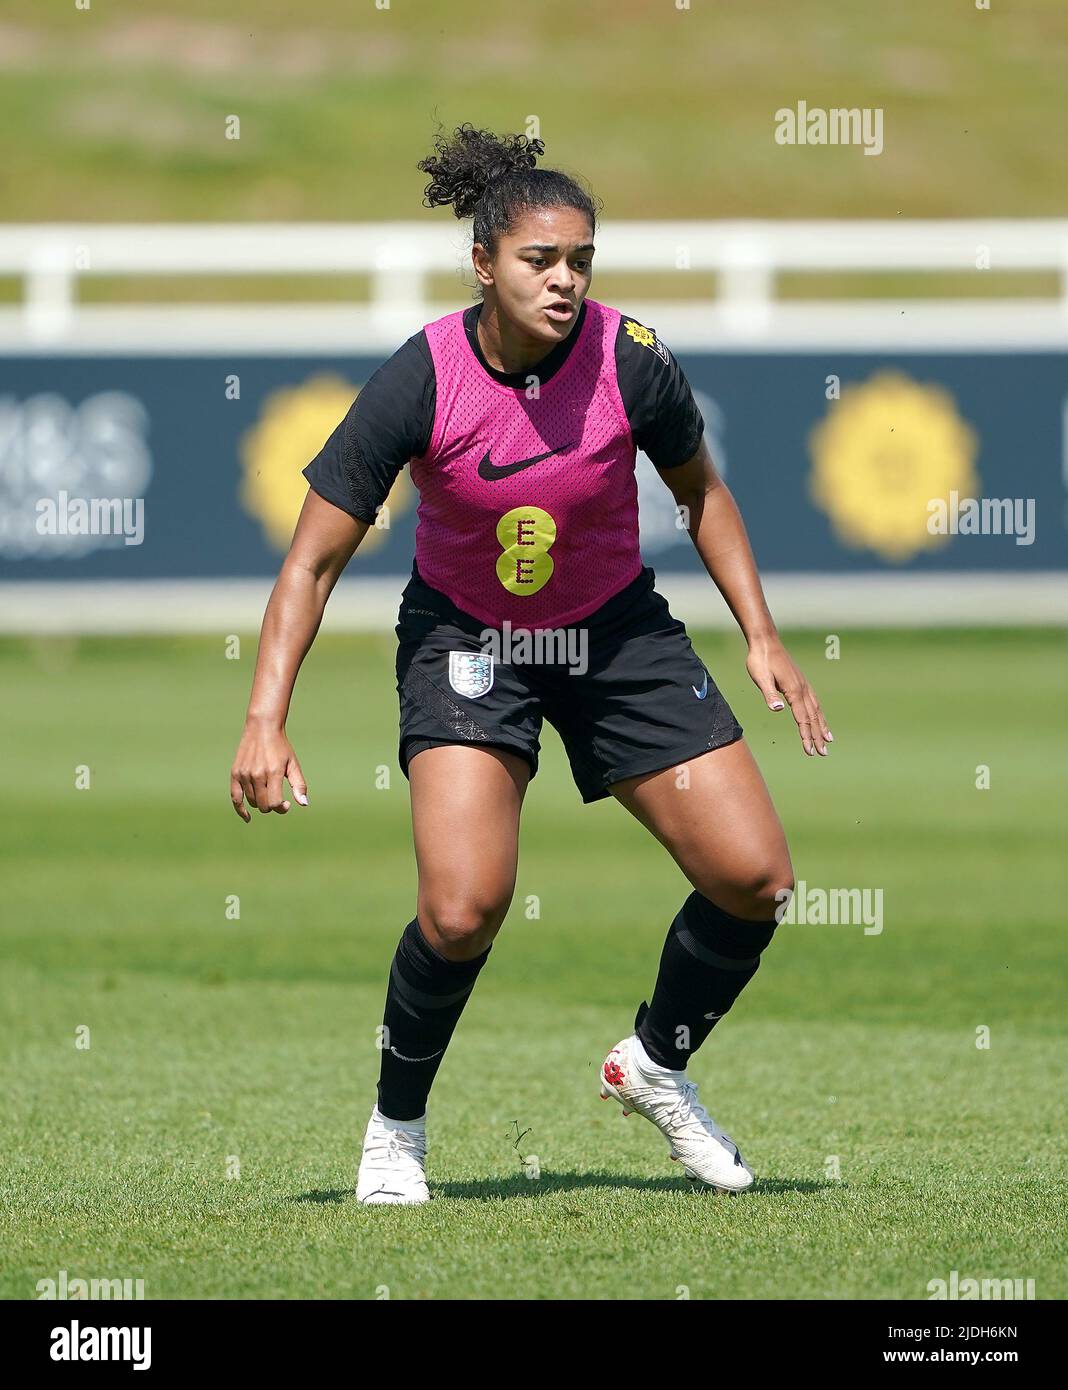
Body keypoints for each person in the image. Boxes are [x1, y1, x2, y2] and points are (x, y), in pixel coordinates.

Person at [230, 123, 832, 1205]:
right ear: (483, 265)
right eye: (539, 260)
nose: (565, 281)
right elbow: (312, 562)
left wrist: (763, 633)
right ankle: (395, 1133)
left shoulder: (631, 357)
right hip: (470, 643)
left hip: (614, 634)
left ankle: (653, 1064)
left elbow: (701, 494)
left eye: (581, 260)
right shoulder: (420, 378)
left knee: (755, 880)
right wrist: (265, 716)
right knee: (463, 908)